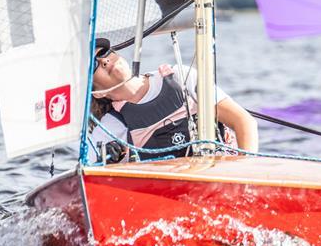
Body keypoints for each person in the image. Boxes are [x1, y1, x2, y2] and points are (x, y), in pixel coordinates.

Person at [89, 38, 258, 162]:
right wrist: (108, 162)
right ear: (98, 93)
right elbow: (84, 169)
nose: (103, 60)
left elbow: (243, 121)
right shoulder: (112, 126)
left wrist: (245, 175)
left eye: (104, 53)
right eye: (94, 65)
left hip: (224, 176)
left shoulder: (182, 77)